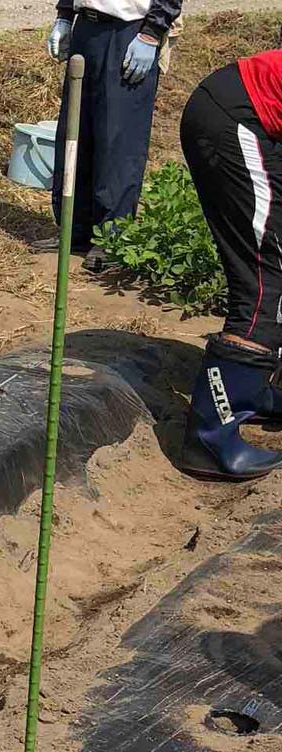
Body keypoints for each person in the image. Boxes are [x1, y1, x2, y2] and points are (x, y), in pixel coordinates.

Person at [177, 50, 282, 480]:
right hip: (236, 119)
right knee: (266, 280)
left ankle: (254, 391)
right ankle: (210, 440)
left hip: (247, 115)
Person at [47, 0, 182, 272]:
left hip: (130, 33)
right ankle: (75, 230)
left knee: (118, 138)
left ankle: (112, 238)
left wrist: (151, 33)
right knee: (77, 131)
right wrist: (64, 15)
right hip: (86, 27)